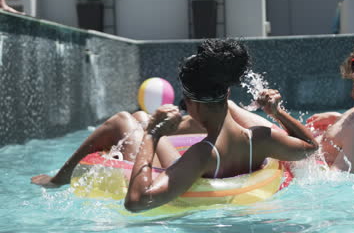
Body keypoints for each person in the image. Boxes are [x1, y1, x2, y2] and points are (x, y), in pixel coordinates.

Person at [32, 39, 319, 213]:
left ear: (189, 103)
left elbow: (137, 202)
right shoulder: (260, 137)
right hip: (212, 169)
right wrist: (277, 112)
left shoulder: (202, 153)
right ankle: (140, 127)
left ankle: (58, 179)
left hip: (201, 172)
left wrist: (153, 136)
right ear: (227, 94)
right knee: (141, 118)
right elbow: (309, 147)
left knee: (124, 120)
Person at [229, 39, 354, 173]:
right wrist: (339, 119)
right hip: (310, 149)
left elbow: (330, 183)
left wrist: (278, 114)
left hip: (301, 159)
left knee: (230, 108)